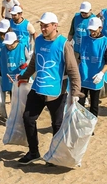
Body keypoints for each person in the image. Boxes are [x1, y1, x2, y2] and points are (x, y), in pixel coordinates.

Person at [16, 12, 82, 164]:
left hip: (56, 92)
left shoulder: (64, 44)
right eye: (41, 25)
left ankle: (56, 154)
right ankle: (34, 152)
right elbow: (34, 63)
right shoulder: (38, 40)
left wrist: (75, 92)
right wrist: (24, 76)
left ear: (55, 26)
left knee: (57, 125)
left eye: (46, 26)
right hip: (38, 87)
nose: (43, 28)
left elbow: (73, 70)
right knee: (28, 118)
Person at [78, 17, 107, 119]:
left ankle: (91, 125)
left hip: (96, 77)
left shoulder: (106, 41)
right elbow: (80, 58)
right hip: (83, 76)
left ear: (100, 28)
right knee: (80, 103)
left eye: (94, 30)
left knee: (94, 104)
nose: (92, 32)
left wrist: (101, 73)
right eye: (90, 30)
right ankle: (81, 123)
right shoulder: (84, 39)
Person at [0, 32, 29, 99]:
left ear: (16, 41)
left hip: (20, 75)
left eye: (10, 44)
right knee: (13, 94)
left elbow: (29, 59)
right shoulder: (4, 48)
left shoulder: (22, 47)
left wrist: (26, 64)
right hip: (9, 77)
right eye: (7, 44)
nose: (9, 46)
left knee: (23, 95)